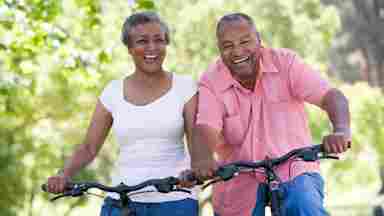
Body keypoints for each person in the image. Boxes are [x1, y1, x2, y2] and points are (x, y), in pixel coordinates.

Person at [191, 13, 351, 216]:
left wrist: (341, 130)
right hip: (238, 174)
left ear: (259, 39)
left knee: (304, 203)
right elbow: (206, 127)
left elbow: (331, 96)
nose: (238, 51)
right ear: (219, 49)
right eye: (228, 45)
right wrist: (203, 158)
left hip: (294, 167)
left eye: (245, 41)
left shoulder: (286, 63)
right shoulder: (211, 80)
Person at [46, 11, 199, 216]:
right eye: (142, 41)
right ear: (129, 48)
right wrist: (63, 175)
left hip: (174, 199)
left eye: (159, 40)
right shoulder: (113, 91)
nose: (152, 47)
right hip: (122, 200)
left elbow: (197, 143)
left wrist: (194, 170)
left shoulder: (185, 87)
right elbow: (89, 147)